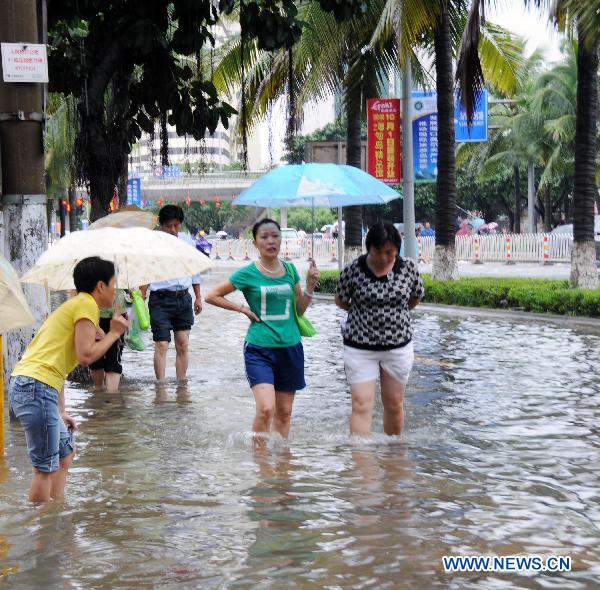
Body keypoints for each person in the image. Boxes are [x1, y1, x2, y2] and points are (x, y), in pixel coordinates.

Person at [9, 257, 129, 502]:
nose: (116, 290)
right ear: (100, 286)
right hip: (35, 387)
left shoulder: (77, 307)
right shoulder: (86, 305)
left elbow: (57, 363)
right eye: (113, 284)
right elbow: (86, 357)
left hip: (35, 386)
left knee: (66, 452)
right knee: (44, 469)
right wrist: (114, 333)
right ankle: (42, 531)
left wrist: (60, 411)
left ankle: (56, 516)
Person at [205, 219, 319, 439]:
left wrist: (310, 286)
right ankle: (262, 465)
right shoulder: (248, 273)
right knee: (267, 409)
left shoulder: (290, 270)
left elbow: (299, 310)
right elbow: (212, 296)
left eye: (275, 236)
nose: (271, 241)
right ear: (255, 243)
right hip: (259, 349)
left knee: (284, 413)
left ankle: (282, 466)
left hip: (290, 347)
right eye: (264, 237)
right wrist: (242, 309)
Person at [334, 221, 424, 437]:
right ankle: (362, 462)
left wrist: (394, 314)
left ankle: (393, 458)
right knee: (361, 405)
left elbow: (415, 297)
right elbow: (341, 300)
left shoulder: (409, 268)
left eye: (390, 252)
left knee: (394, 404)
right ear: (369, 247)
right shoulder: (353, 270)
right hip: (360, 348)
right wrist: (366, 313)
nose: (384, 257)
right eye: (378, 251)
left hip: (397, 348)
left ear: (397, 249)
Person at [140, 205, 202, 382]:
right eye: (169, 226)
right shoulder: (152, 245)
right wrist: (140, 298)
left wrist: (198, 297)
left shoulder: (187, 243)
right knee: (161, 344)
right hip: (160, 300)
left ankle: (181, 385)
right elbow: (146, 273)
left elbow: (194, 270)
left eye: (176, 225)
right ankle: (160, 387)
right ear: (161, 225)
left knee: (182, 344)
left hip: (183, 298)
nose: (173, 230)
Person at [89, 288, 128, 393]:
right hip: (93, 314)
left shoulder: (122, 273)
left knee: (113, 360)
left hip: (117, 314)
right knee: (95, 361)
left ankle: (112, 396)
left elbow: (134, 289)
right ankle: (99, 390)